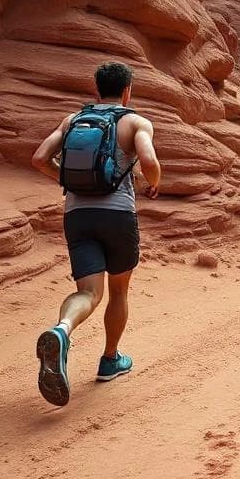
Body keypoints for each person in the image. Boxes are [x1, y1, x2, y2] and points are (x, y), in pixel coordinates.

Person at [29, 62, 161, 406]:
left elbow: (39, 158)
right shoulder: (135, 122)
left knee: (88, 292)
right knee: (118, 291)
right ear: (128, 91)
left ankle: (61, 331)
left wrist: (65, 180)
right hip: (117, 216)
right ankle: (110, 359)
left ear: (96, 89)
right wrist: (155, 183)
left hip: (78, 215)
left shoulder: (72, 121)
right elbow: (148, 160)